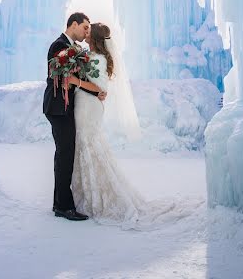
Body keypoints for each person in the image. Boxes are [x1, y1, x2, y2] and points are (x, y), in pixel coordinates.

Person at [68, 22, 178, 230]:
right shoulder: (88, 56)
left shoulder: (98, 59)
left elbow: (99, 87)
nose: (86, 34)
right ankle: (85, 194)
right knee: (84, 145)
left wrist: (75, 81)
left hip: (88, 106)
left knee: (88, 144)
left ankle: (97, 198)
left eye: (89, 32)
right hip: (84, 103)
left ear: (96, 38)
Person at [43, 12, 106, 221]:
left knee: (64, 155)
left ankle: (58, 203)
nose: (87, 31)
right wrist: (94, 90)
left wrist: (96, 90)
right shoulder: (59, 45)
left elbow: (76, 78)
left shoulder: (73, 48)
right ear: (74, 24)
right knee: (65, 155)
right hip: (58, 108)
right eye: (85, 27)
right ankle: (64, 207)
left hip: (65, 108)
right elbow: (63, 77)